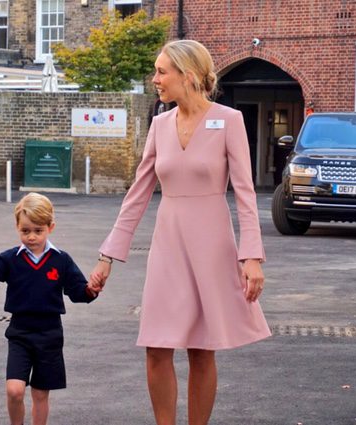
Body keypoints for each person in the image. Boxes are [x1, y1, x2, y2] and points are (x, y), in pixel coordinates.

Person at [89, 40, 271, 425]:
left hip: (212, 245)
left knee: (202, 349)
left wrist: (251, 255)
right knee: (156, 346)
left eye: (161, 71)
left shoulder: (229, 121)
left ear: (187, 76)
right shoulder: (159, 124)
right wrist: (108, 257)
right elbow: (137, 195)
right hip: (168, 246)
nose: (154, 79)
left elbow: (245, 194)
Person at [0, 193, 101, 425]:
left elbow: (77, 291)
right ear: (17, 227)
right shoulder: (11, 259)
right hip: (20, 334)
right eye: (25, 230)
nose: (31, 237)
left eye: (38, 231)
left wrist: (91, 290)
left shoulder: (61, 260)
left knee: (40, 394)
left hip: (50, 335)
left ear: (51, 227)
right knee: (14, 390)